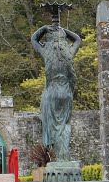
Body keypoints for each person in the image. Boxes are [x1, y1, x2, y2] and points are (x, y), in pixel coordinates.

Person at [31, 25, 82, 162]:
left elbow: (34, 39)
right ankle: (64, 156)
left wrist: (43, 28)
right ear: (64, 42)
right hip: (66, 93)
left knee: (52, 125)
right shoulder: (68, 52)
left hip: (52, 92)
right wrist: (64, 30)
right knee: (65, 124)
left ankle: (57, 158)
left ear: (48, 42)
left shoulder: (46, 52)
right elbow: (77, 40)